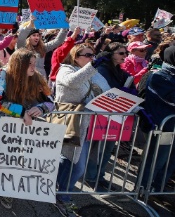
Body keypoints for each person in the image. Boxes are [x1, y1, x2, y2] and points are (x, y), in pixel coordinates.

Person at [0, 48, 55, 209]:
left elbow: (52, 101)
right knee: (7, 160)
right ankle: (5, 191)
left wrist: (42, 108)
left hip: (30, 127)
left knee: (24, 160)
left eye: (34, 63)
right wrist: (20, 112)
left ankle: (18, 187)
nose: (34, 67)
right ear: (19, 65)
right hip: (6, 126)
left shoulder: (38, 78)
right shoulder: (3, 75)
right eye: (30, 64)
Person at [53, 44, 109, 216]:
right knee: (76, 166)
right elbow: (72, 82)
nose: (92, 58)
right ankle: (63, 197)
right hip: (68, 124)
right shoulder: (66, 70)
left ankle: (57, 190)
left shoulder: (91, 73)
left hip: (83, 125)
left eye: (93, 55)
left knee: (68, 161)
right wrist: (92, 66)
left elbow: (103, 91)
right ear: (76, 56)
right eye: (88, 55)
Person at [84, 42, 133, 191]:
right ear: (111, 54)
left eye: (126, 53)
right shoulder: (102, 70)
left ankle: (100, 175)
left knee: (109, 147)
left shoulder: (120, 71)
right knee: (97, 148)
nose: (125, 56)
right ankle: (91, 177)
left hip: (117, 113)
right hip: (102, 113)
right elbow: (104, 90)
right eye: (121, 53)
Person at [139, 44, 175, 193]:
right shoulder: (159, 75)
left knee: (170, 161)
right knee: (156, 160)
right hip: (162, 127)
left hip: (171, 127)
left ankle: (158, 189)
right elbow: (170, 98)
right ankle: (143, 189)